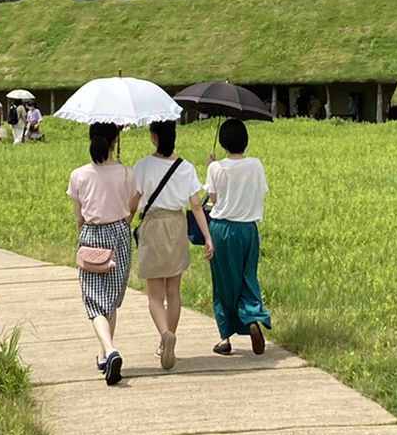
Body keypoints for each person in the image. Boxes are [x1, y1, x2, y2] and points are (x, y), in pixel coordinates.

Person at [131, 118, 213, 372]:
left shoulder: (142, 166)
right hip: (177, 225)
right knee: (173, 291)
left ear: (153, 137)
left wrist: (125, 223)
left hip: (153, 224)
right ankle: (169, 337)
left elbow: (134, 202)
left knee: (154, 295)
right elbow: (196, 205)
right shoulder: (185, 167)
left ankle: (165, 335)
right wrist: (207, 237)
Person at [67, 121, 139, 385]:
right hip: (120, 234)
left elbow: (78, 216)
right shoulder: (127, 173)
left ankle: (108, 350)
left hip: (92, 235)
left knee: (95, 301)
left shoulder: (79, 175)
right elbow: (132, 208)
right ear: (115, 141)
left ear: (91, 140)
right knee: (110, 299)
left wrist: (83, 238)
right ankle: (104, 354)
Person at [203, 118, 272, 355]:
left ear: (223, 142)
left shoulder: (216, 168)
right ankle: (252, 317)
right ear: (245, 141)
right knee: (247, 278)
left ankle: (225, 339)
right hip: (249, 230)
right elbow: (260, 192)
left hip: (222, 229)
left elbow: (214, 200)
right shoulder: (256, 165)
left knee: (223, 284)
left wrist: (211, 166)